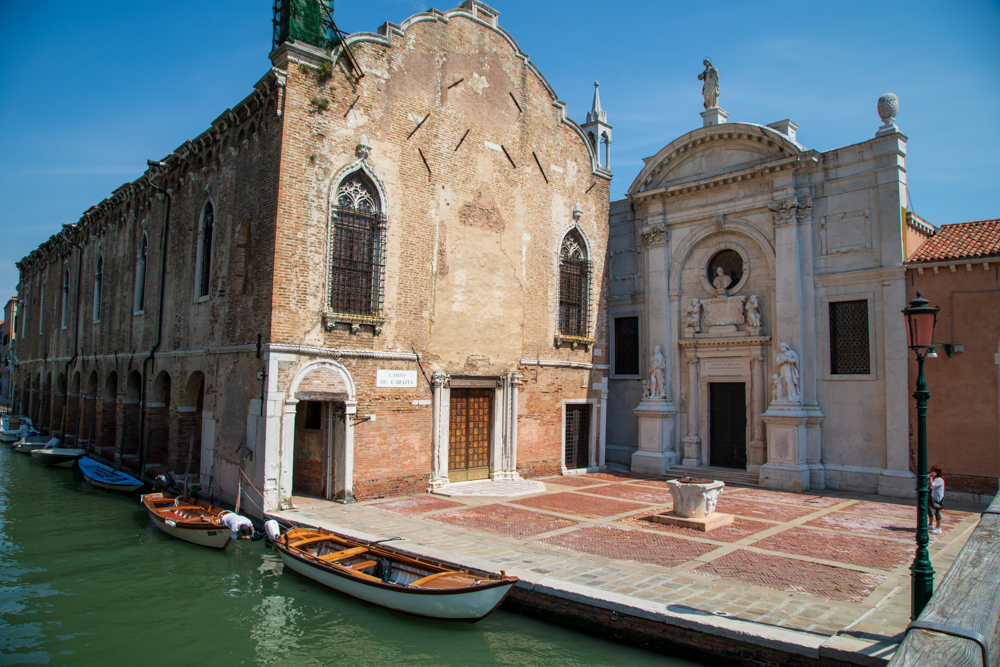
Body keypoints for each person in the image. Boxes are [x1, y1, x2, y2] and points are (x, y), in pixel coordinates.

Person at [928, 466, 945, 534]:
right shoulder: (935, 479)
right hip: (932, 497)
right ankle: (930, 524)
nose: (932, 473)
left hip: (937, 499)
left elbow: (932, 486)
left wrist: (931, 478)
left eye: (933, 471)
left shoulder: (939, 479)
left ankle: (938, 528)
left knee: (937, 512)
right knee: (930, 510)